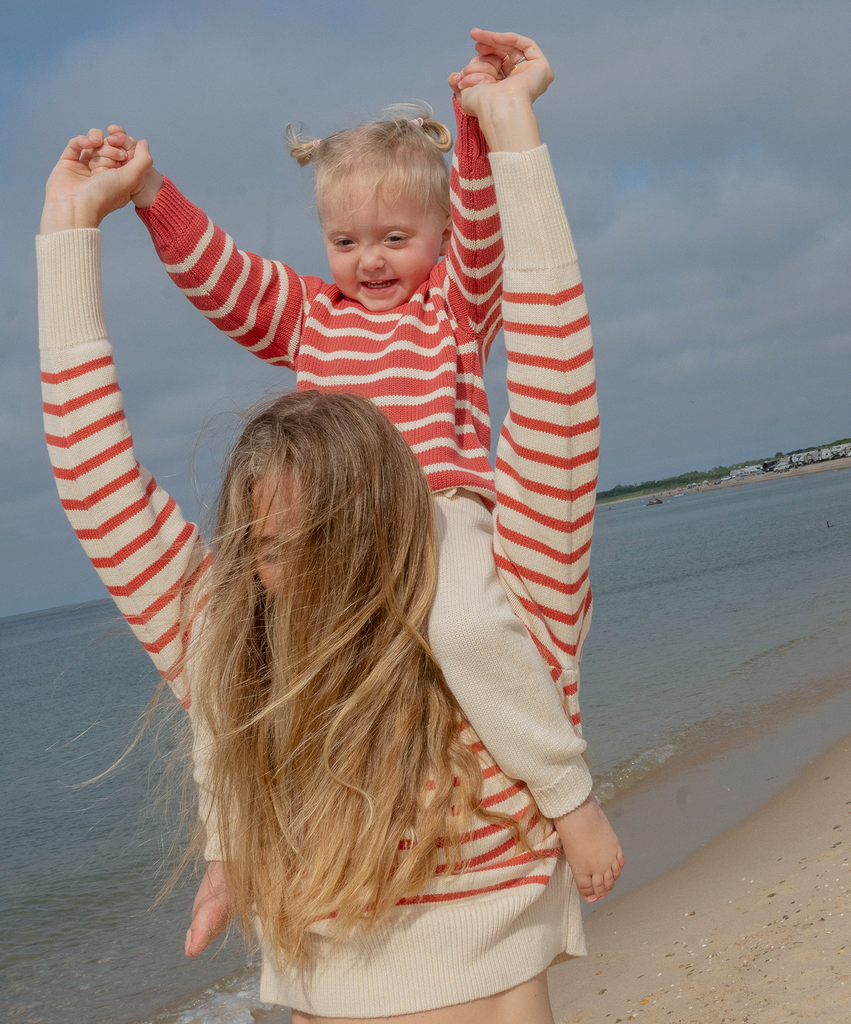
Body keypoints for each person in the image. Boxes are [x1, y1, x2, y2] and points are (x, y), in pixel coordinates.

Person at [39, 29, 619, 1024]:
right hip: (334, 942)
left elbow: (532, 320)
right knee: (223, 673)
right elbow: (209, 300)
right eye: (348, 243)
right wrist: (108, 213)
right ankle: (231, 838)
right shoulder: (256, 638)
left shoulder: (506, 590)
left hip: (443, 520)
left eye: (394, 240)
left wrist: (496, 135)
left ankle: (562, 795)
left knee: (448, 619)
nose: (370, 261)